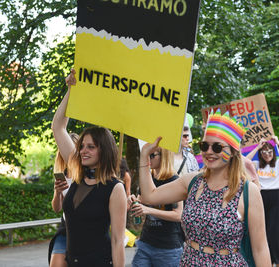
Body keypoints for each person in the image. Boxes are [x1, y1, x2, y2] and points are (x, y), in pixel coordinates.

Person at [138, 110, 270, 266]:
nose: (209, 152)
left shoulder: (247, 191)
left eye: (217, 148)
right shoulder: (192, 182)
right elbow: (149, 196)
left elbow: (260, 248)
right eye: (204, 145)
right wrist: (145, 155)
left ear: (234, 152)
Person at [52, 69, 126, 267]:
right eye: (82, 146)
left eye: (91, 147)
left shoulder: (115, 187)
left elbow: (118, 241)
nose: (83, 151)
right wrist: (71, 90)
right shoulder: (78, 171)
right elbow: (58, 127)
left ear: (104, 151)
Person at [130, 147, 183, 266]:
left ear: (163, 156)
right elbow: (141, 203)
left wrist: (148, 210)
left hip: (167, 249)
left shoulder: (174, 180)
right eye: (146, 155)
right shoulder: (148, 178)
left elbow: (178, 214)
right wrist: (133, 201)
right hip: (145, 243)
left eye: (152, 155)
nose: (148, 159)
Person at [246, 135, 279, 267]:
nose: (267, 154)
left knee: (273, 234)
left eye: (270, 151)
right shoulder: (255, 165)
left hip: (276, 198)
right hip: (260, 197)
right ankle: (266, 262)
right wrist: (257, 147)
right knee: (262, 233)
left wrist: (278, 142)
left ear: (274, 152)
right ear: (261, 154)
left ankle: (276, 261)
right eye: (264, 152)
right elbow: (243, 160)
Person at [48, 133, 79, 267]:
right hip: (66, 230)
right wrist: (58, 192)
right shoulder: (62, 175)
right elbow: (57, 208)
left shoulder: (88, 176)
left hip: (86, 231)